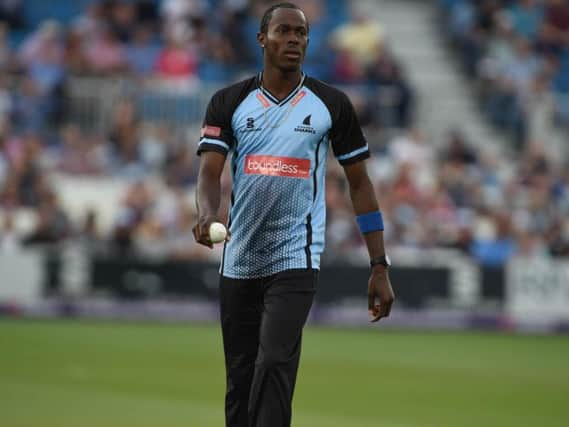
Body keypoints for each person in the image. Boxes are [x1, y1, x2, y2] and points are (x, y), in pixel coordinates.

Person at [192, 3, 395, 426]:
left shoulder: (331, 104)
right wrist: (207, 215)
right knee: (240, 381)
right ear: (262, 38)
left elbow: (360, 184)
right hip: (239, 258)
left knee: (274, 365)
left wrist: (379, 264)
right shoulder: (229, 102)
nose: (294, 40)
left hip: (296, 259)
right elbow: (210, 172)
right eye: (283, 31)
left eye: (301, 34)